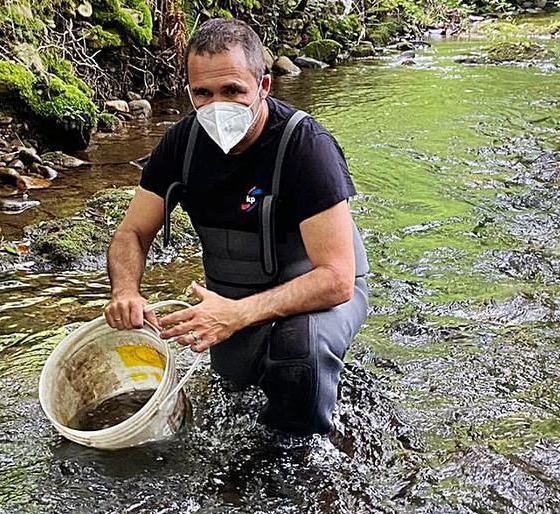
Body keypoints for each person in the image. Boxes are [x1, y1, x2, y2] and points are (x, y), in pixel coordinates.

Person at [103, 18, 369, 437]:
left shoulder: (306, 147)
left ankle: (312, 464)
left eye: (232, 91)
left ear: (263, 86)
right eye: (202, 94)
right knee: (238, 392)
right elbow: (131, 233)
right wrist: (126, 292)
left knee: (298, 356)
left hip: (318, 291)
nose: (216, 106)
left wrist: (236, 315)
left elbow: (337, 279)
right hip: (233, 293)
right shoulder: (181, 145)